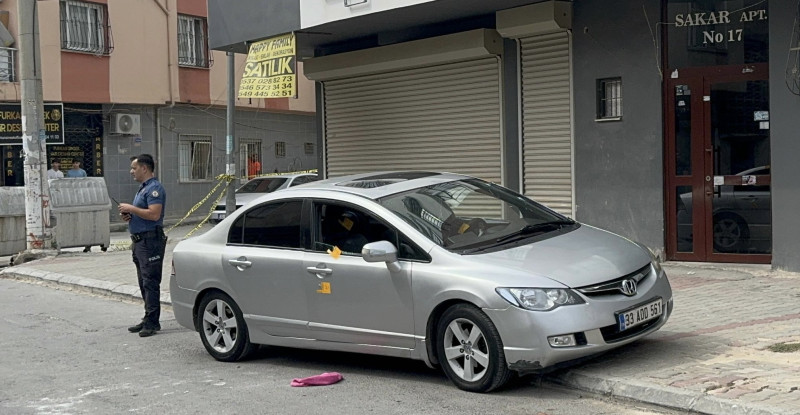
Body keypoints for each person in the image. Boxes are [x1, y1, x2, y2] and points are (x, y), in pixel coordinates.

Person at [118, 154, 167, 338]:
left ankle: (153, 322)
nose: (131, 171)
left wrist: (131, 208)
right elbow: (144, 213)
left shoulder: (154, 189)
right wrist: (130, 215)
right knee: (143, 282)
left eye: (134, 168)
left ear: (144, 168)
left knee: (151, 282)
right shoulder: (143, 189)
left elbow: (154, 215)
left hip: (150, 242)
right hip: (140, 241)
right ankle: (148, 317)